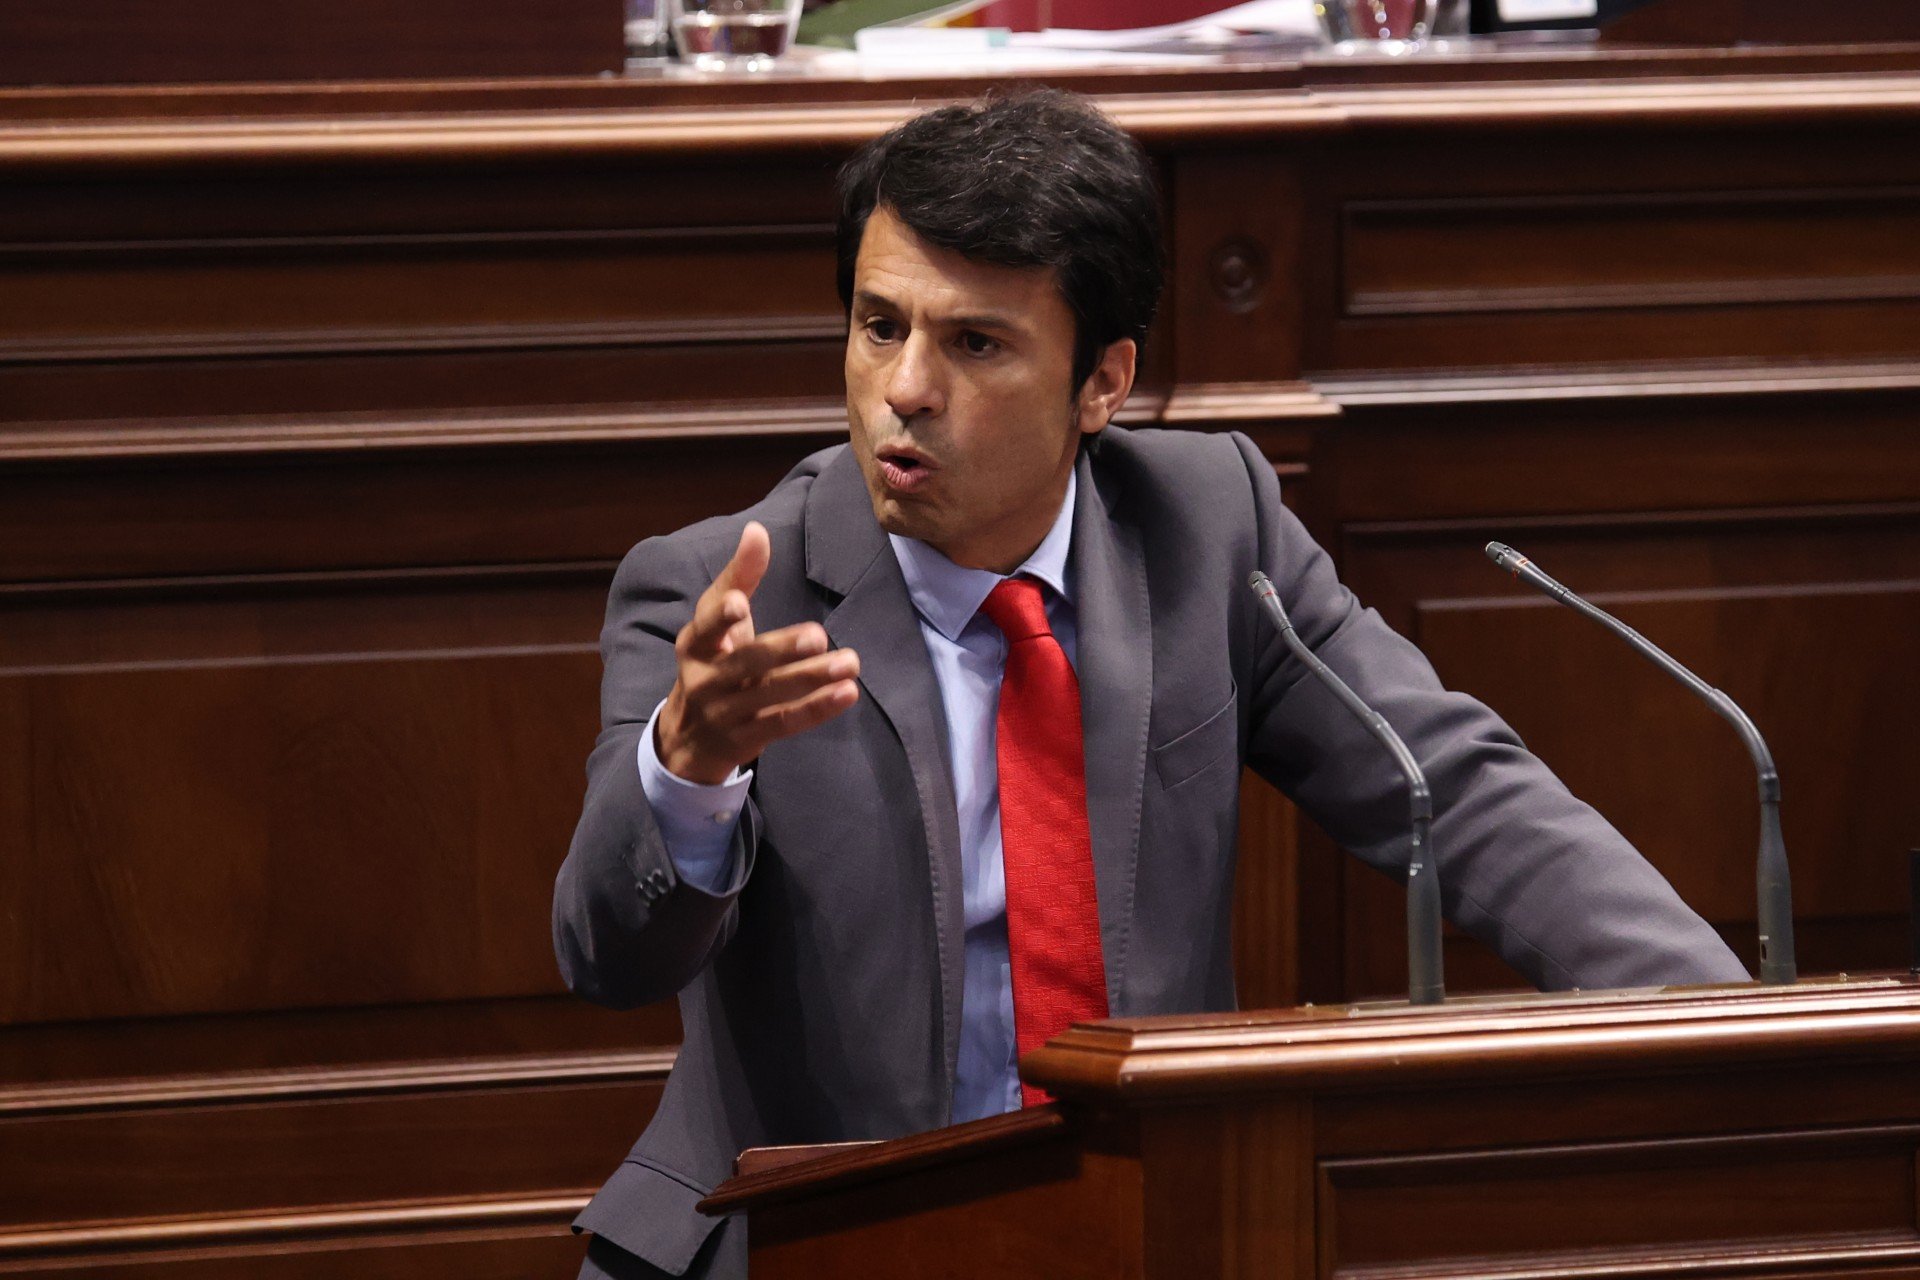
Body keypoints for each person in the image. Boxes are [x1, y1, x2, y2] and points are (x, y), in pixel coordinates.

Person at [552, 89, 1747, 1280]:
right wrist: (690, 768)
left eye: (974, 343)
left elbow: (1457, 786)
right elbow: (607, 955)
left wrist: (1731, 1029)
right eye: (878, 325)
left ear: (1103, 383)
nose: (904, 387)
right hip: (811, 1239)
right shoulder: (724, 593)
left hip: (1139, 1227)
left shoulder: (1209, 528)